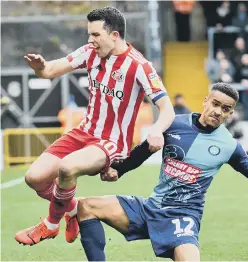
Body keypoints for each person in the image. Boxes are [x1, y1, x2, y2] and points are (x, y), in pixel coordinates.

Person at [77, 83, 248, 261]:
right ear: (206, 100)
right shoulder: (174, 124)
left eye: (225, 109)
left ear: (230, 113)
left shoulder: (229, 145)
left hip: (184, 216)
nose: (218, 111)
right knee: (86, 207)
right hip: (152, 207)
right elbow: (143, 151)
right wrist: (118, 170)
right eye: (215, 104)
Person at [15, 7, 175, 246]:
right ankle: (72, 211)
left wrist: (156, 130)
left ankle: (50, 225)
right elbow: (49, 71)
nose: (91, 40)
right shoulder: (90, 52)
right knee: (34, 178)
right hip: (83, 132)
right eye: (89, 34)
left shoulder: (139, 66)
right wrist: (40, 66)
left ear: (115, 35)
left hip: (111, 143)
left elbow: (167, 109)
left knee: (67, 169)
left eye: (96, 34)